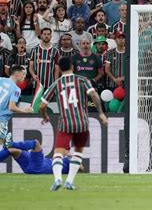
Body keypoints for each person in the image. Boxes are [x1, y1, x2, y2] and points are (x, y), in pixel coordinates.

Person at [40, 57, 108, 191]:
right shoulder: (82, 80)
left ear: (59, 69)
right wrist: (100, 113)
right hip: (82, 122)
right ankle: (69, 182)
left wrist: (45, 116)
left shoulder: (56, 84)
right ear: (72, 66)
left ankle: (58, 179)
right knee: (77, 153)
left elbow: (42, 105)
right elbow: (94, 95)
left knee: (58, 154)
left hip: (65, 123)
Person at [0, 138, 78, 175]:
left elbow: (81, 168)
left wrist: (71, 157)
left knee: (36, 143)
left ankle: (10, 143)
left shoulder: (68, 160)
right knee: (13, 151)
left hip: (40, 168)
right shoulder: (58, 160)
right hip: (30, 166)